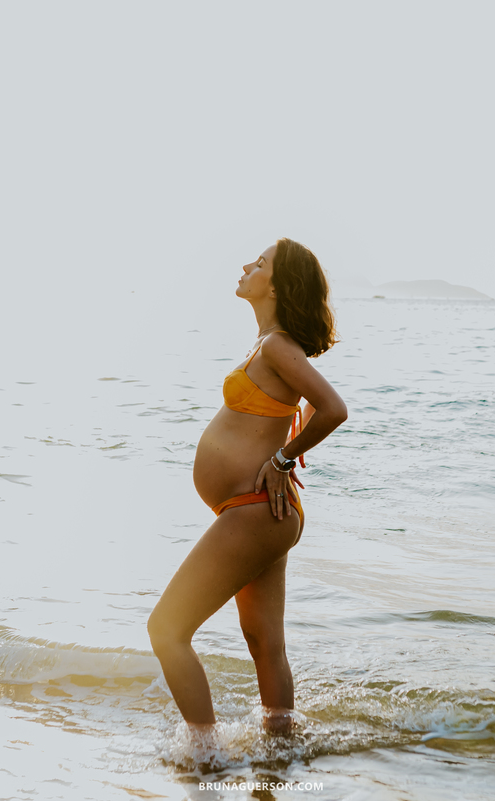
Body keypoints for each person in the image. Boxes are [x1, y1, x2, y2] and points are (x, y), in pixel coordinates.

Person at [147, 238, 348, 736]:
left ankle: (203, 755)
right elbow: (287, 410)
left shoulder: (279, 346)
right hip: (259, 513)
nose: (245, 266)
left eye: (259, 263)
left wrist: (281, 458)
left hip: (257, 509)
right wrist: (285, 445)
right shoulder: (267, 344)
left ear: (277, 285)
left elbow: (334, 408)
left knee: (166, 630)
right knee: (264, 643)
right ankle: (279, 755)